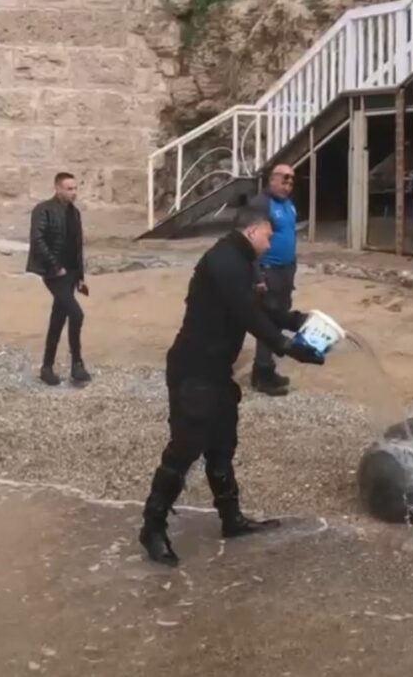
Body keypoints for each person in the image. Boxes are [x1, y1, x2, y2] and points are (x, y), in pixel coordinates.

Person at [138, 203, 325, 567]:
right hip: (193, 369)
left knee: (222, 445)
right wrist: (287, 346)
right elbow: (247, 313)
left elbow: (258, 307)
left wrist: (296, 320)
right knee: (184, 450)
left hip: (217, 371)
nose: (270, 244)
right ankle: (152, 527)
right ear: (252, 231)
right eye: (268, 236)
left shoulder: (242, 261)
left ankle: (231, 519)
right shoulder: (224, 261)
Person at [25, 172, 91, 386]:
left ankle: (47, 367)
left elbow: (77, 246)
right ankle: (77, 363)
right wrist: (55, 266)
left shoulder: (74, 213)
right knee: (76, 314)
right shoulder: (43, 209)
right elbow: (37, 239)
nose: (74, 193)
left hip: (70, 273)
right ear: (58, 189)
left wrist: (80, 276)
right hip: (54, 273)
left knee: (58, 318)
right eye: (69, 189)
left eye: (75, 188)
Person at [251, 163, 301, 396]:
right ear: (272, 179)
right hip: (268, 272)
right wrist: (257, 275)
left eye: (291, 180)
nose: (288, 184)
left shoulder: (288, 204)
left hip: (285, 273)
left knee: (278, 320)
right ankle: (263, 376)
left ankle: (264, 368)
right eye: (284, 178)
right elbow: (249, 242)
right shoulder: (261, 204)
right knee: (267, 323)